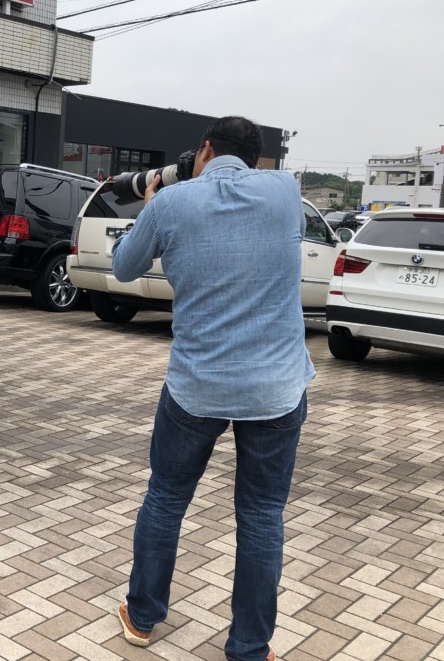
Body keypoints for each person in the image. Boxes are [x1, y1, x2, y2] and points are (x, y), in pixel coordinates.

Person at [111, 116, 312, 661]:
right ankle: (249, 647)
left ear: (204, 149)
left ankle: (144, 616)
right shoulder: (285, 193)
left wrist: (154, 198)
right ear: (257, 157)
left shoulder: (172, 203)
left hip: (196, 385)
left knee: (167, 498)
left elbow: (123, 268)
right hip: (276, 388)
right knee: (263, 513)